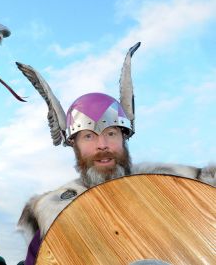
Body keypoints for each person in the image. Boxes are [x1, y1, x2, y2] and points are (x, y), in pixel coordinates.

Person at [14, 46, 215, 264]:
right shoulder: (52, 212)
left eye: (110, 133)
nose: (102, 145)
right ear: (75, 145)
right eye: (89, 137)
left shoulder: (178, 187)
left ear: (124, 137)